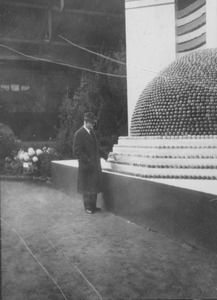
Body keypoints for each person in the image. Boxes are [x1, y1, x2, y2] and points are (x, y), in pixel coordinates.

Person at [73, 112, 108, 214]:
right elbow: (77, 151)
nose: (93, 125)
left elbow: (97, 148)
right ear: (86, 122)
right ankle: (88, 207)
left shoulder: (91, 132)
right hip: (86, 166)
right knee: (87, 187)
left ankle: (93, 206)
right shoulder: (79, 134)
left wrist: (106, 155)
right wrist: (87, 160)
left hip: (95, 165)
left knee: (94, 186)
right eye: (92, 123)